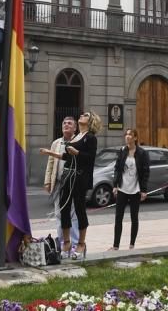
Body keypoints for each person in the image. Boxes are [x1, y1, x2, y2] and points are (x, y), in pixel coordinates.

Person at [40, 110, 101, 260]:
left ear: (91, 120)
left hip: (79, 177)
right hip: (68, 176)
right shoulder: (78, 136)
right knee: (64, 209)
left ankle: (80, 243)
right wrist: (50, 153)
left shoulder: (90, 138)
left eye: (85, 115)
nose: (82, 115)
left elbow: (90, 158)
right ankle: (66, 242)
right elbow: (66, 157)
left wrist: (77, 153)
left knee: (80, 210)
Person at [109, 128, 149, 251]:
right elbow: (117, 169)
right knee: (118, 218)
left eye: (130, 135)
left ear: (135, 138)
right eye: (126, 135)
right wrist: (115, 185)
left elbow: (145, 172)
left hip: (135, 190)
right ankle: (116, 246)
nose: (127, 137)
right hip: (122, 189)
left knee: (134, 218)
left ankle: (132, 245)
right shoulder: (122, 151)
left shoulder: (142, 153)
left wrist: (143, 190)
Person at [43, 116, 79, 249]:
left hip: (72, 183)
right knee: (59, 214)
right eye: (64, 123)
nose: (66, 125)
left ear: (75, 128)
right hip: (58, 183)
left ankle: (74, 244)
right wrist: (47, 182)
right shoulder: (56, 143)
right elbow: (51, 163)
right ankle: (63, 243)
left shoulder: (78, 141)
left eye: (70, 123)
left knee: (73, 214)